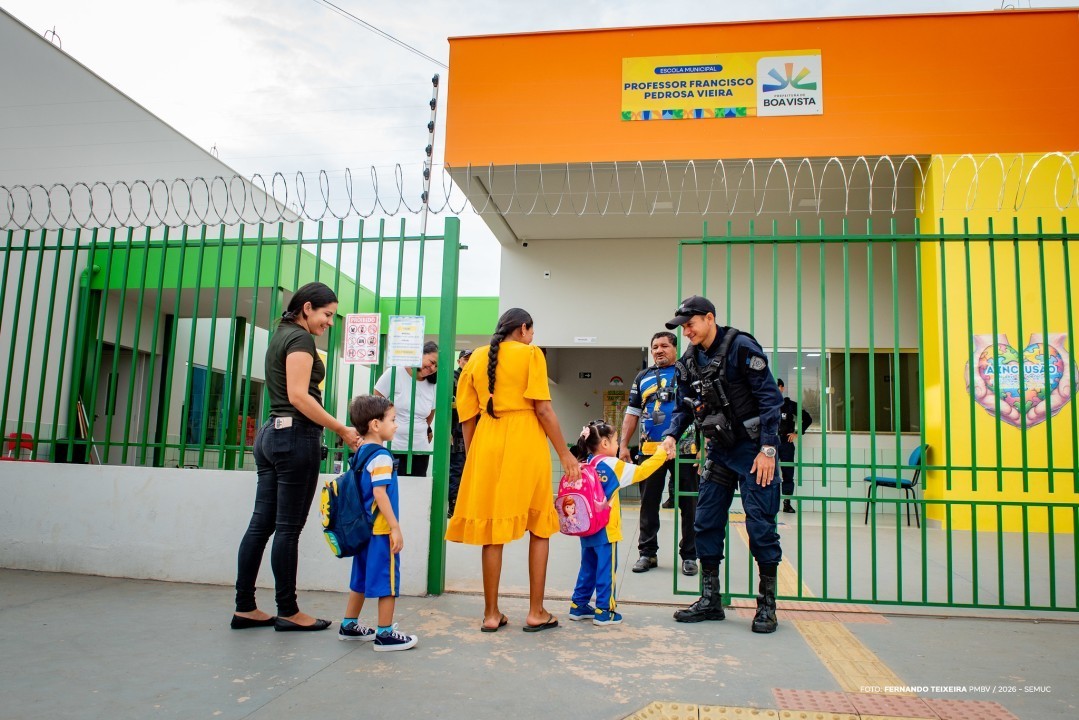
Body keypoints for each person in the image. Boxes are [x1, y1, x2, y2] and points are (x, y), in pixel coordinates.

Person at [233, 282, 360, 632]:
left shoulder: (280, 334)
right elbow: (300, 397)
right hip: (294, 437)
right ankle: (288, 610)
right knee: (287, 529)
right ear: (307, 308)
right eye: (327, 315)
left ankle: (245, 606)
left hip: (270, 433)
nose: (330, 323)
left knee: (261, 525)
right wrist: (343, 429)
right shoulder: (301, 340)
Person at [446, 308, 581, 633]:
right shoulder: (531, 355)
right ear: (523, 328)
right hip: (525, 442)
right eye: (531, 331)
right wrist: (565, 454)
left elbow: (467, 417)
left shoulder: (475, 358)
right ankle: (536, 611)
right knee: (539, 527)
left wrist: (473, 455)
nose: (532, 337)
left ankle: (491, 614)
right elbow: (544, 410)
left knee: (492, 530)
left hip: (487, 442)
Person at [661, 295, 784, 634]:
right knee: (706, 521)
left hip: (754, 451)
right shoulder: (689, 361)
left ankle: (767, 606)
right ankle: (711, 600)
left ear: (710, 318)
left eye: (690, 324)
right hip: (720, 450)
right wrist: (672, 435)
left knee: (760, 525)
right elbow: (683, 407)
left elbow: (770, 400)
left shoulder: (741, 347)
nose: (686, 332)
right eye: (682, 327)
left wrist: (769, 449)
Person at [337, 395, 419, 651]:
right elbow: (380, 493)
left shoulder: (361, 451)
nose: (396, 425)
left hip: (363, 529)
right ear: (375, 424)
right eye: (392, 420)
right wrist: (395, 527)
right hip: (380, 530)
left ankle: (349, 625)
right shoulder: (382, 456)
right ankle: (385, 633)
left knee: (360, 577)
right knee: (388, 581)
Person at [569, 421, 669, 626]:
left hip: (586, 528)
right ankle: (605, 611)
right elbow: (642, 471)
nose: (617, 445)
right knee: (606, 569)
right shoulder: (612, 465)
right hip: (606, 528)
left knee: (588, 567)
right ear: (605, 443)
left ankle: (578, 606)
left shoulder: (585, 462)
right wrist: (660, 454)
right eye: (615, 441)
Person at [619, 331, 699, 577]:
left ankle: (689, 556)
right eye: (654, 347)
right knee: (648, 504)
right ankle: (647, 553)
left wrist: (704, 448)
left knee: (690, 504)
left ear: (675, 348)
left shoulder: (688, 373)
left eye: (664, 345)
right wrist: (623, 446)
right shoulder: (642, 377)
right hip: (650, 451)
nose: (658, 350)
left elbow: (702, 411)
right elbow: (632, 413)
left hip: (685, 449)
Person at [374, 341, 438, 477]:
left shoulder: (433, 384)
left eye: (436, 366)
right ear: (420, 354)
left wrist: (423, 429)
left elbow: (430, 414)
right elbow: (376, 402)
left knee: (416, 490)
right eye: (431, 362)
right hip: (392, 446)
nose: (432, 368)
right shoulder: (395, 372)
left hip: (420, 449)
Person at [776, 378, 813, 514]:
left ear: (782, 388)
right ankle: (769, 503)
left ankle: (787, 503)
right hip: (771, 443)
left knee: (787, 473)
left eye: (777, 387)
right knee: (769, 474)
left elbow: (808, 418)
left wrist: (797, 433)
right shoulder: (767, 404)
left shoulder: (790, 405)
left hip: (786, 443)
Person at [447, 349, 473, 518]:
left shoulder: (472, 377)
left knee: (466, 467)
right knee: (457, 467)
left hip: (468, 430)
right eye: (465, 359)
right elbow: (448, 407)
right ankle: (454, 506)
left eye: (471, 359)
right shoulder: (454, 379)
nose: (468, 362)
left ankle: (462, 504)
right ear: (459, 361)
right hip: (456, 432)